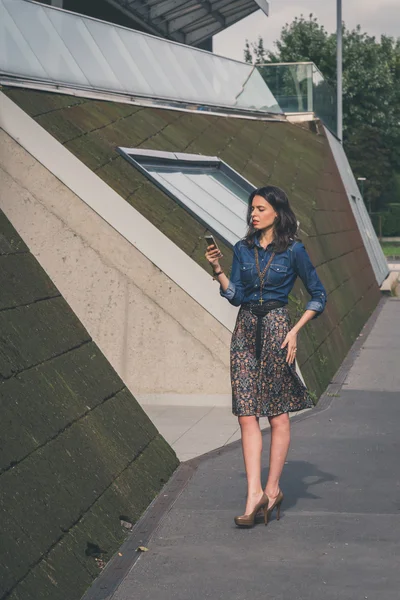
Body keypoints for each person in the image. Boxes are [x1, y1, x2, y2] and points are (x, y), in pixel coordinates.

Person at [205, 186, 327, 528]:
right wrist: (217, 268)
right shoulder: (242, 249)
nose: (253, 214)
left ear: (277, 212)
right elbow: (235, 295)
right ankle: (253, 494)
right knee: (246, 413)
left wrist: (295, 330)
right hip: (244, 329)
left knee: (277, 415)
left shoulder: (294, 251)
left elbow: (318, 295)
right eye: (252, 209)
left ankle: (272, 489)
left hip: (277, 328)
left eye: (260, 208)